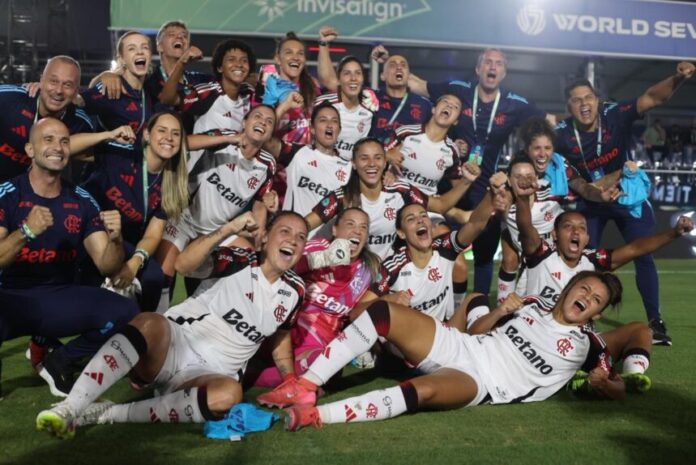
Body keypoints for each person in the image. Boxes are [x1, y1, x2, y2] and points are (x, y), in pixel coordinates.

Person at [35, 210, 308, 438]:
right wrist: (228, 229)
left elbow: (281, 335)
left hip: (210, 375)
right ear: (265, 237)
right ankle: (70, 407)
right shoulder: (240, 261)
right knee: (149, 322)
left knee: (230, 395)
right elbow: (183, 265)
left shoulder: (296, 291)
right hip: (174, 346)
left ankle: (107, 413)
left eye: (301, 237)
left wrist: (288, 378)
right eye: (285, 231)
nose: (293, 241)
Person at [256, 270, 624, 431]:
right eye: (585, 289)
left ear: (597, 313)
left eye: (596, 300)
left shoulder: (589, 345)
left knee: (422, 391)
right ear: (570, 286)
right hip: (464, 344)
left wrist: (604, 383)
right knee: (383, 312)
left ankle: (317, 415)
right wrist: (500, 311)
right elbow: (477, 330)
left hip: (483, 382)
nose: (587, 299)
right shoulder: (530, 304)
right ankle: (305, 386)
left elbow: (617, 388)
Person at [554, 60, 695, 345]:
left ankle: (655, 322)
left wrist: (678, 78)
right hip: (591, 200)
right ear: (568, 107)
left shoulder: (614, 114)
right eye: (576, 100)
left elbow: (653, 97)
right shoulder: (561, 134)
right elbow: (568, 177)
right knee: (582, 260)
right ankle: (579, 320)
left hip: (627, 197)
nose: (584, 104)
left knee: (643, 254)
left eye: (588, 98)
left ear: (597, 100)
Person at [509, 175, 693, 391]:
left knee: (641, 330)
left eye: (582, 228)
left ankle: (632, 376)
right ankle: (571, 376)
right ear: (555, 234)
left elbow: (635, 249)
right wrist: (523, 199)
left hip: (578, 342)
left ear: (587, 238)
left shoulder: (593, 261)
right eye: (568, 226)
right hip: (537, 337)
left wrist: (674, 233)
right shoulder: (540, 253)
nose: (576, 232)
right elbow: (525, 227)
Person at [0, 118, 139, 396]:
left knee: (125, 313)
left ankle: (59, 361)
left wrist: (115, 241)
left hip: (56, 298)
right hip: (9, 298)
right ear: (30, 149)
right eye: (48, 139)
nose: (58, 147)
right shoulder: (7, 194)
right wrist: (26, 231)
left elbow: (107, 267)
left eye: (64, 141)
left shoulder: (82, 200)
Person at [407, 48, 548, 296]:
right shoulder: (459, 89)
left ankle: (478, 308)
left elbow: (547, 121)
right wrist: (390, 64)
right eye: (488, 62)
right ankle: (437, 303)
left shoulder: (514, 103)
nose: (492, 67)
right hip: (449, 185)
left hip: (486, 189)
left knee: (484, 256)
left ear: (504, 73)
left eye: (498, 63)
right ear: (478, 69)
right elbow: (420, 86)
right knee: (441, 253)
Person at [154, 105, 277, 310]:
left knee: (249, 258)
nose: (263, 122)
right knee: (163, 275)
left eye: (269, 121)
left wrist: (261, 221)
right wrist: (228, 139)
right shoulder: (225, 138)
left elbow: (259, 200)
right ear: (244, 122)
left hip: (217, 230)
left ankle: (205, 308)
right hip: (184, 220)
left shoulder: (268, 164)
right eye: (258, 116)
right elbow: (184, 142)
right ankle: (157, 317)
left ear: (271, 133)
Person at [250, 207, 380, 387]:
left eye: (363, 227)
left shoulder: (368, 269)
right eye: (350, 224)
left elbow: (360, 310)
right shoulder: (316, 247)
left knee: (326, 366)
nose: (357, 231)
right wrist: (322, 259)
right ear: (335, 230)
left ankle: (250, 376)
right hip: (285, 323)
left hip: (318, 341)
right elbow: (278, 268)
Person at [81, 111, 189, 311]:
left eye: (176, 133)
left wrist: (135, 262)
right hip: (88, 231)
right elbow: (67, 147)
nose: (169, 138)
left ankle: (143, 327)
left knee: (154, 277)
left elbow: (153, 234)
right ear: (147, 134)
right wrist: (107, 135)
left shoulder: (172, 182)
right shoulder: (122, 153)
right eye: (162, 131)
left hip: (125, 241)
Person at [304, 137, 480, 259]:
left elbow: (440, 206)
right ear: (354, 164)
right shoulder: (343, 197)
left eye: (378, 158)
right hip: (349, 274)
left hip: (384, 275)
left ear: (384, 162)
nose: (372, 164)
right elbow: (304, 224)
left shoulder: (400, 190)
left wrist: (466, 181)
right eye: (364, 158)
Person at [0, 56, 94, 182]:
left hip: (27, 191)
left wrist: (107, 76)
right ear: (41, 81)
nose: (59, 90)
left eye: (67, 85)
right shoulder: (9, 99)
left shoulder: (81, 123)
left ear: (76, 91)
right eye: (53, 81)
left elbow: (103, 156)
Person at [78, 31, 155, 157]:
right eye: (132, 48)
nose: (140, 52)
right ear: (122, 59)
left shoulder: (149, 92)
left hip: (137, 166)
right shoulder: (111, 86)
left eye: (144, 47)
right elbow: (77, 102)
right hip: (107, 167)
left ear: (150, 55)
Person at [279, 102, 351, 228]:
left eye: (334, 121)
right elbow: (266, 140)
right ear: (312, 128)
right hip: (292, 235)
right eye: (323, 120)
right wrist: (285, 106)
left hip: (326, 240)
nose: (329, 125)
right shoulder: (297, 153)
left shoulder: (349, 167)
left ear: (339, 130)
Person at [314, 54, 377, 161]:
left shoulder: (371, 106)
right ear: (338, 80)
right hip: (322, 165)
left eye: (358, 73)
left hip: (352, 169)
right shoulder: (323, 103)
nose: (353, 78)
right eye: (347, 73)